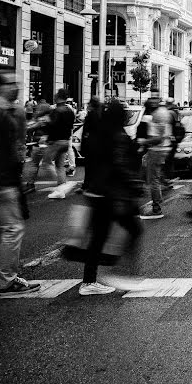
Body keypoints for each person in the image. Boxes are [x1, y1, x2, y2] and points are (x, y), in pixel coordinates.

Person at [77, 99, 145, 295]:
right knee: (134, 229)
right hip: (113, 194)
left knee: (98, 236)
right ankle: (123, 274)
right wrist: (134, 185)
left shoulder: (98, 132)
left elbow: (87, 155)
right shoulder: (117, 135)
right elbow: (120, 165)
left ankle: (89, 281)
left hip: (95, 191)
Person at [0, 70, 41, 297]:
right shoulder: (1, 114)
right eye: (10, 84)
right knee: (12, 229)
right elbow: (8, 152)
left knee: (2, 230)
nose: (16, 87)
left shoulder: (9, 111)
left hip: (2, 182)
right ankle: (7, 281)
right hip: (2, 183)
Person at [23, 88, 76, 199]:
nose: (54, 96)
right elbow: (71, 126)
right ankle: (61, 189)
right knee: (60, 166)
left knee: (46, 164)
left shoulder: (57, 111)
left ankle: (63, 187)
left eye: (56, 94)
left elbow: (52, 125)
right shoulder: (70, 111)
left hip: (56, 141)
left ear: (59, 96)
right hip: (66, 141)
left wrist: (46, 124)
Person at [136, 96, 173, 219]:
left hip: (157, 150)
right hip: (161, 149)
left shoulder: (157, 115)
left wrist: (144, 142)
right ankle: (152, 203)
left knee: (153, 179)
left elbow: (158, 138)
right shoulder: (163, 112)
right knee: (148, 175)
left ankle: (156, 208)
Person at [80, 97, 103, 193]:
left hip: (91, 144)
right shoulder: (101, 114)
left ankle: (88, 185)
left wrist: (84, 144)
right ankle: (93, 185)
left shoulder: (92, 115)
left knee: (89, 166)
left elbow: (86, 131)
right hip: (98, 144)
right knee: (95, 166)